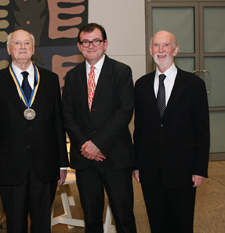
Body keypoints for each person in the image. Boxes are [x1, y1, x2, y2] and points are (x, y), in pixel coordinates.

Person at [0, 29, 69, 233]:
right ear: (8, 49)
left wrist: (62, 163)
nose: (22, 47)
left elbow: (58, 123)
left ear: (33, 49)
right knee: (15, 224)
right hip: (9, 167)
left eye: (27, 44)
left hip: (45, 166)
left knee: (42, 224)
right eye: (17, 43)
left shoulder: (50, 79)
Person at [62, 23, 137, 233]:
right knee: (91, 219)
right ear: (79, 46)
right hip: (84, 159)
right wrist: (85, 145)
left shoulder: (121, 71)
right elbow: (67, 116)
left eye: (96, 41)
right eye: (86, 42)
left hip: (115, 158)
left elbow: (124, 112)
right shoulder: (72, 76)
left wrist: (98, 144)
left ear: (105, 44)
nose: (91, 45)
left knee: (124, 218)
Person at [133, 31, 210, 233]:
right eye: (156, 45)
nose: (160, 50)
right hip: (150, 170)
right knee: (157, 225)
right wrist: (137, 165)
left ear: (175, 50)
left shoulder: (194, 85)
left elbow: (202, 131)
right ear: (150, 50)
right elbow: (138, 129)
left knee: (182, 225)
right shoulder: (141, 84)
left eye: (166, 45)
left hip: (183, 170)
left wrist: (200, 168)